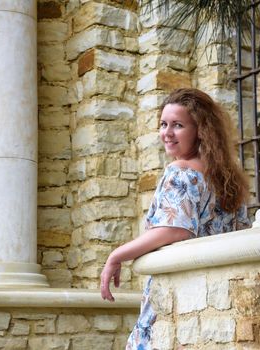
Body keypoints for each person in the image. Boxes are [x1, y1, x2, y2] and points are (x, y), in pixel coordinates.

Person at [100, 88, 251, 349]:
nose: (167, 133)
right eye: (163, 124)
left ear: (200, 130)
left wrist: (116, 255)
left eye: (178, 125)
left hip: (176, 299)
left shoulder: (180, 173)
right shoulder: (227, 180)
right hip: (213, 302)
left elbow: (174, 230)